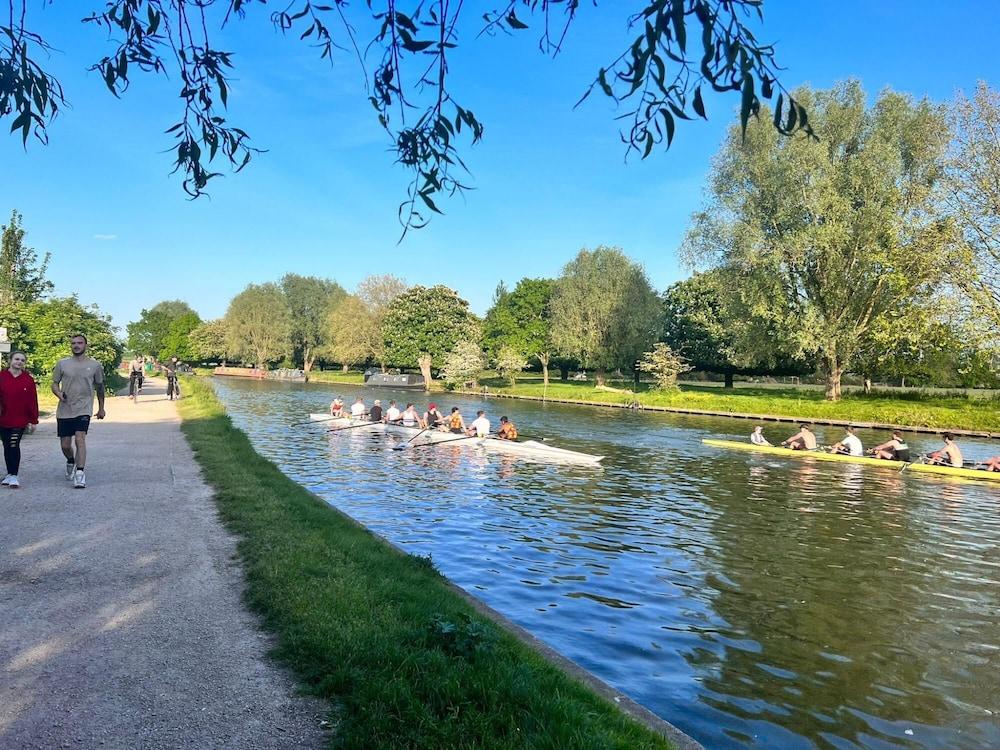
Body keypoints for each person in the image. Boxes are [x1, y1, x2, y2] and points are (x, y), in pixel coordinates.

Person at [51, 334, 106, 489]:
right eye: (73, 343)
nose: (76, 345)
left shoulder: (95, 365)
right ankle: (70, 460)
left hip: (84, 408)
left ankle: (80, 474)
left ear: (85, 345)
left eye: (79, 343)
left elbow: (100, 388)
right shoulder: (62, 364)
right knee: (65, 445)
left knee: (80, 439)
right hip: (65, 408)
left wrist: (101, 408)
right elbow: (54, 384)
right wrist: (58, 393)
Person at [0, 351, 39, 488]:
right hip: (3, 418)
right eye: (17, 359)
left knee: (13, 444)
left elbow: (32, 400)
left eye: (22, 360)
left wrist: (33, 420)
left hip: (20, 419)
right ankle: (9, 474)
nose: (19, 362)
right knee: (6, 446)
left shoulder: (28, 380)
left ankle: (15, 475)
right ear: (10, 360)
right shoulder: (2, 377)